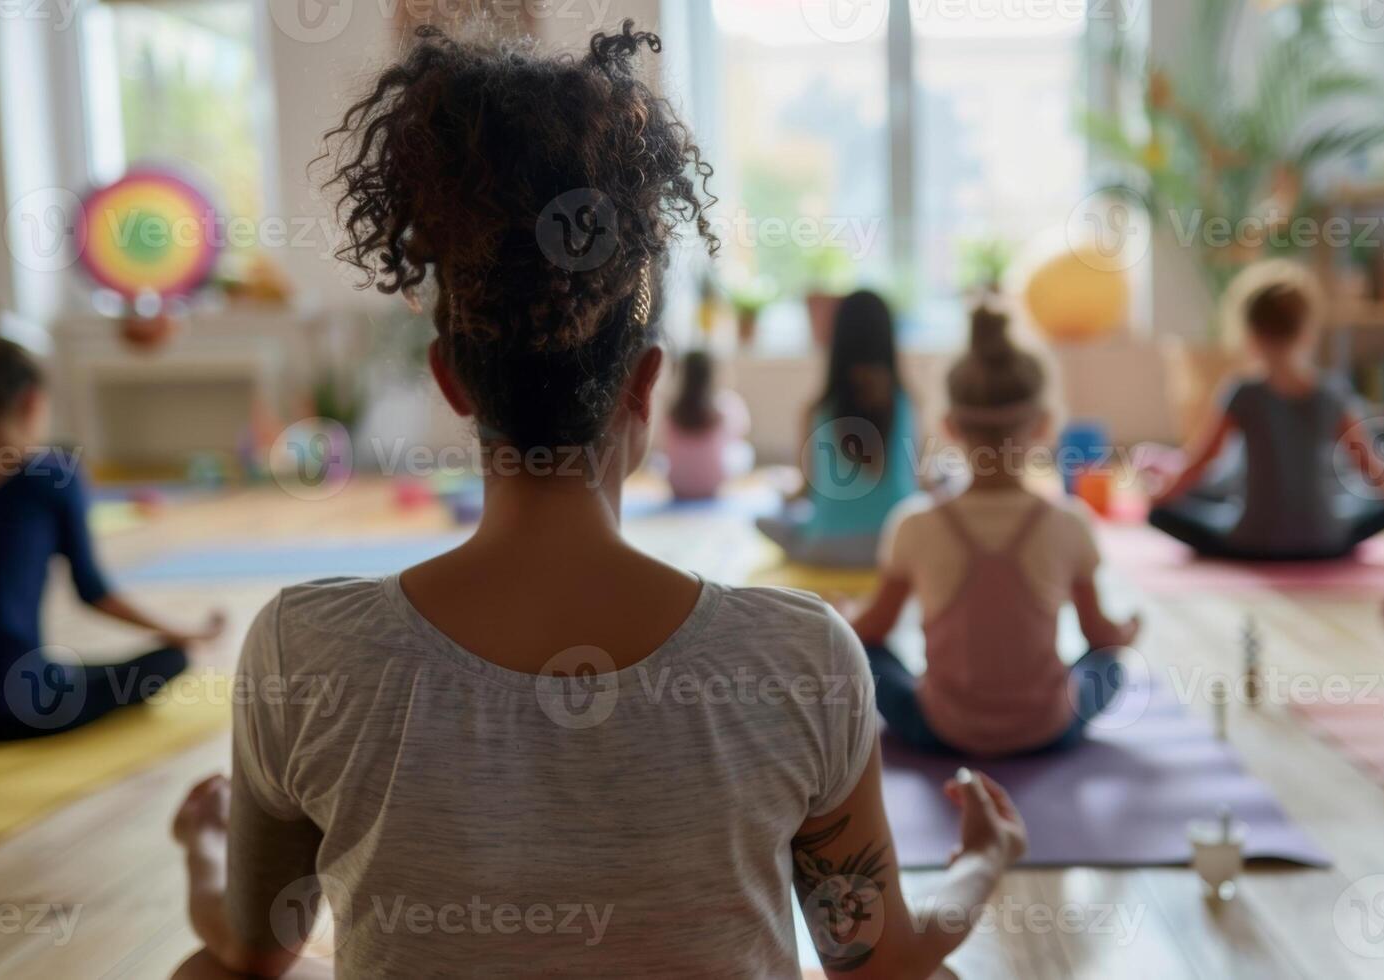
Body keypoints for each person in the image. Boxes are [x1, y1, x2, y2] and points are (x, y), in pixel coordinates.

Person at [171, 24, 1026, 978]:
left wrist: (203, 849)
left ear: (451, 378)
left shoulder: (304, 647)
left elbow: (251, 947)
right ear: (645, 382)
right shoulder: (801, 655)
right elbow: (878, 957)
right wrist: (980, 868)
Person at [0, 296, 221, 742]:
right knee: (168, 661)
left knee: (60, 668)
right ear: (32, 401)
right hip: (18, 706)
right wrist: (182, 633)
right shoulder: (53, 476)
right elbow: (93, 592)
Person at [845, 305, 1141, 758]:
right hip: (1046, 729)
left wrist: (844, 613)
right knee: (1110, 666)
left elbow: (871, 631)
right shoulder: (1069, 522)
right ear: (1044, 424)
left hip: (940, 730)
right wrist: (1126, 631)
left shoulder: (914, 523)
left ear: (947, 426)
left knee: (863, 658)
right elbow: (1099, 637)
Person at [1147, 261, 1384, 561]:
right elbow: (1372, 469)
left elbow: (1198, 464)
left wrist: (1158, 497)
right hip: (1324, 540)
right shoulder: (1331, 394)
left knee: (1161, 513)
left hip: (1249, 541)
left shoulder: (1243, 392)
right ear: (1307, 329)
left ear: (1249, 331)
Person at [755, 290, 919, 567]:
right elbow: (911, 481)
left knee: (761, 519)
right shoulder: (905, 404)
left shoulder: (817, 411)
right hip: (897, 548)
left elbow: (807, 492)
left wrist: (784, 492)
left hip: (825, 549)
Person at [659, 348, 752, 500]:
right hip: (712, 485)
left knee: (658, 461)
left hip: (678, 485)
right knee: (744, 451)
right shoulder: (726, 404)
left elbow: (663, 448)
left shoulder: (672, 409)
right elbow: (741, 434)